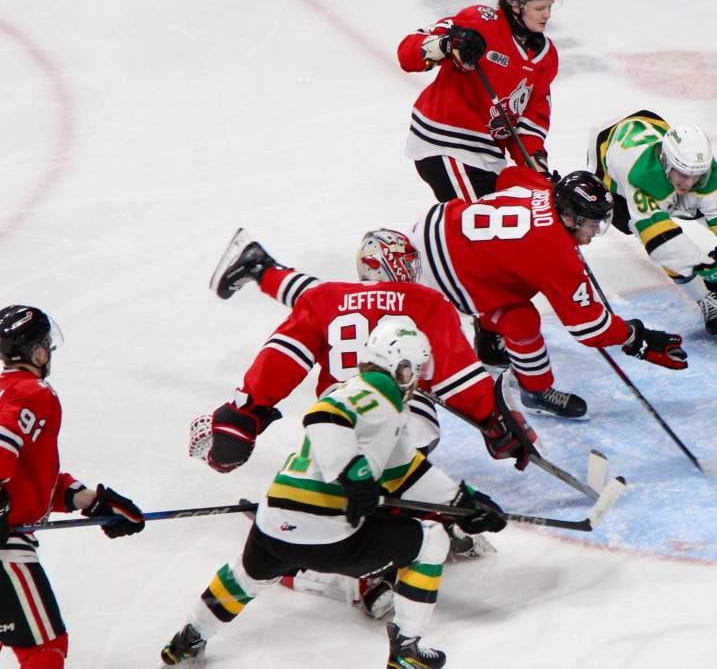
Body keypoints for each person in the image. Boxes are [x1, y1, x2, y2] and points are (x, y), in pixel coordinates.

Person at [161, 317, 506, 668]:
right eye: (413, 369)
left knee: (246, 576)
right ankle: (406, 650)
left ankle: (186, 641)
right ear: (399, 367)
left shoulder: (372, 401)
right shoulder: (375, 391)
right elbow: (324, 417)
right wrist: (353, 475)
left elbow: (406, 471)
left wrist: (465, 502)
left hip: (273, 522)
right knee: (431, 540)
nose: (416, 379)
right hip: (328, 532)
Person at [200, 227, 533, 565]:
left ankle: (319, 535)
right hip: (407, 421)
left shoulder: (323, 297)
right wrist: (495, 422)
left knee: (343, 491)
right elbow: (459, 380)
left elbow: (282, 358)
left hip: (335, 422)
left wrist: (246, 411)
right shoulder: (428, 301)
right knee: (395, 475)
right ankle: (411, 533)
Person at [410, 165, 689, 420]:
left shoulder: (543, 189)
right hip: (444, 276)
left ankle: (491, 347)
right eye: (592, 224)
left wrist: (547, 181)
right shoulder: (556, 254)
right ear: (568, 217)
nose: (595, 232)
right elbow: (589, 328)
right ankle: (536, 391)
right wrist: (636, 337)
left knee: (508, 279)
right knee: (522, 319)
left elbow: (512, 176)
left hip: (432, 225)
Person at [0, 305, 145, 669]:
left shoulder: (8, 391)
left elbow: (31, 480)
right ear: (36, 351)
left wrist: (92, 501)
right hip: (6, 548)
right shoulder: (34, 392)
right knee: (44, 648)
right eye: (45, 344)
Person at [587, 111, 717, 335]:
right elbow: (662, 244)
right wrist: (709, 267)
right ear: (665, 162)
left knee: (697, 208)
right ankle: (704, 297)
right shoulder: (641, 176)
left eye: (696, 175)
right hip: (608, 154)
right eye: (684, 174)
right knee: (648, 233)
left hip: (651, 126)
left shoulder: (703, 171)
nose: (689, 183)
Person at [398, 0, 560, 203]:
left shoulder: (546, 57)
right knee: (483, 229)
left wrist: (538, 170)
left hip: (488, 155)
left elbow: (529, 123)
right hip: (446, 143)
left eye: (550, 6)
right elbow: (407, 53)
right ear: (515, 2)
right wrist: (447, 44)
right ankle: (392, 243)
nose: (547, 15)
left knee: (523, 219)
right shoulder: (480, 21)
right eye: (540, 8)